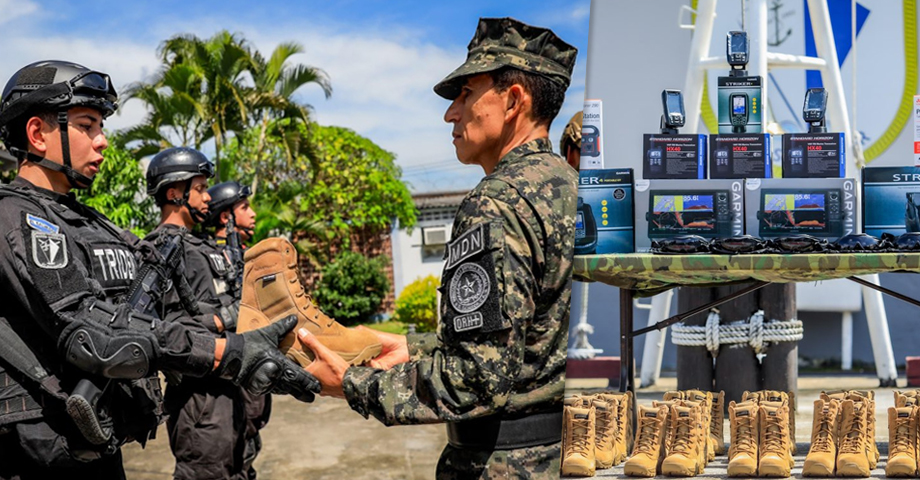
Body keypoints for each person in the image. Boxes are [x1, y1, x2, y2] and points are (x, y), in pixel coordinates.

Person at [0, 60, 318, 479]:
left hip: (91, 447)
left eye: (101, 127)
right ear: (38, 133)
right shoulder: (17, 216)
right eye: (87, 125)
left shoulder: (97, 226)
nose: (102, 142)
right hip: (34, 455)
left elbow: (156, 320)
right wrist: (228, 353)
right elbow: (93, 336)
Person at [298, 17, 578, 479]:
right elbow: (534, 339)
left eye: (466, 94)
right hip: (570, 456)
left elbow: (475, 381)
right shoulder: (573, 187)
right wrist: (415, 345)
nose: (451, 114)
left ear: (513, 101)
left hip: (504, 464)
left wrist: (352, 384)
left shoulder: (497, 202)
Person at [144, 153, 266, 480]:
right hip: (200, 398)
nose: (208, 197)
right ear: (174, 194)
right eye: (200, 188)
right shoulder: (163, 249)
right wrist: (226, 318)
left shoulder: (196, 247)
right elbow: (171, 329)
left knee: (240, 468)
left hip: (227, 387)